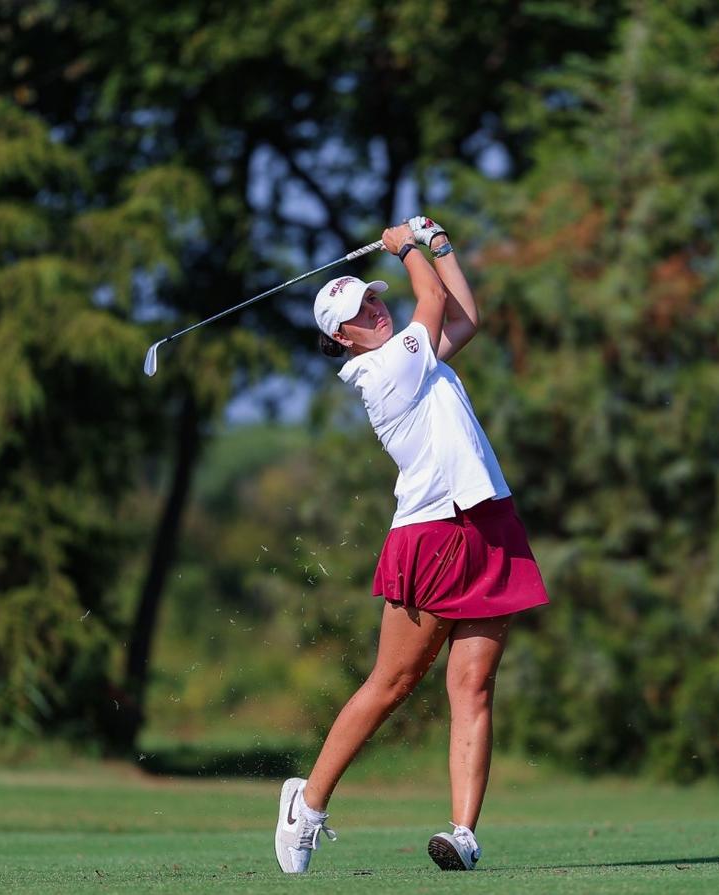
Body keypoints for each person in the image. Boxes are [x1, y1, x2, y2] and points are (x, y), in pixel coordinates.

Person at [273, 216, 550, 873]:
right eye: (358, 311)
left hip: (487, 525)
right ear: (340, 337)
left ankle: (463, 833)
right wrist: (408, 249)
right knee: (392, 682)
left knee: (474, 686)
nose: (375, 309)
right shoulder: (380, 369)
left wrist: (441, 244)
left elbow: (466, 318)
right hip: (428, 537)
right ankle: (306, 806)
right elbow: (431, 302)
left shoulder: (416, 357)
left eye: (373, 298)